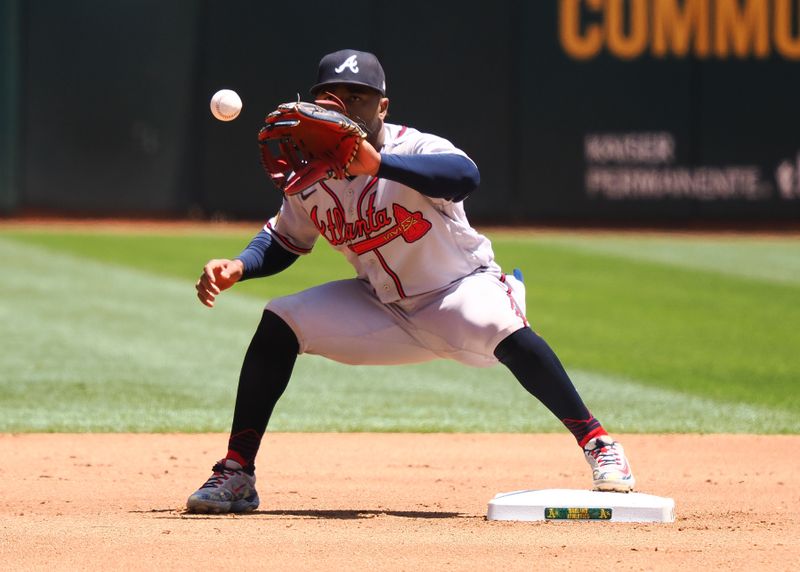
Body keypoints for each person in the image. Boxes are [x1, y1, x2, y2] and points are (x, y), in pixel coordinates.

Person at [186, 49, 635, 514]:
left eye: (357, 96)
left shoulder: (413, 147)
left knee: (501, 326)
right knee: (280, 321)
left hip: (459, 292)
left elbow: (465, 175)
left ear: (382, 107)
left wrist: (375, 164)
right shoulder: (310, 177)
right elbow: (283, 239)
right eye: (329, 96)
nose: (341, 105)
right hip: (380, 309)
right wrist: (240, 265)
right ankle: (236, 473)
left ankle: (597, 441)